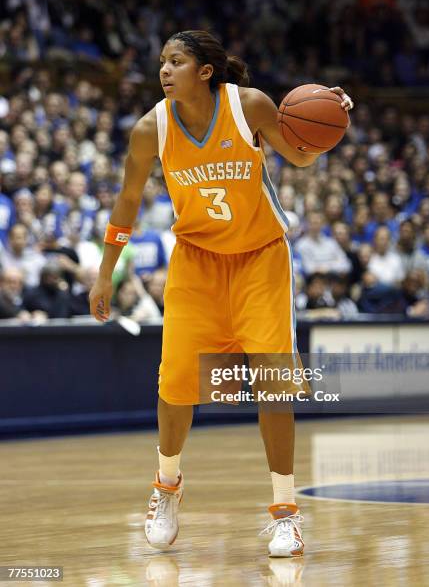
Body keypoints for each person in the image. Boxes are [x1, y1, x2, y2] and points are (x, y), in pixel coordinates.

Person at [89, 30, 354, 558]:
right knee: (177, 384)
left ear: (205, 71)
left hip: (260, 258)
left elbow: (299, 158)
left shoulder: (248, 104)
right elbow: (127, 201)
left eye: (177, 61)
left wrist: (327, 125)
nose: (165, 70)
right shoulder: (150, 129)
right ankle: (167, 485)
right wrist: (105, 273)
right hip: (195, 261)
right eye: (162, 61)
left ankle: (285, 513)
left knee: (274, 383)